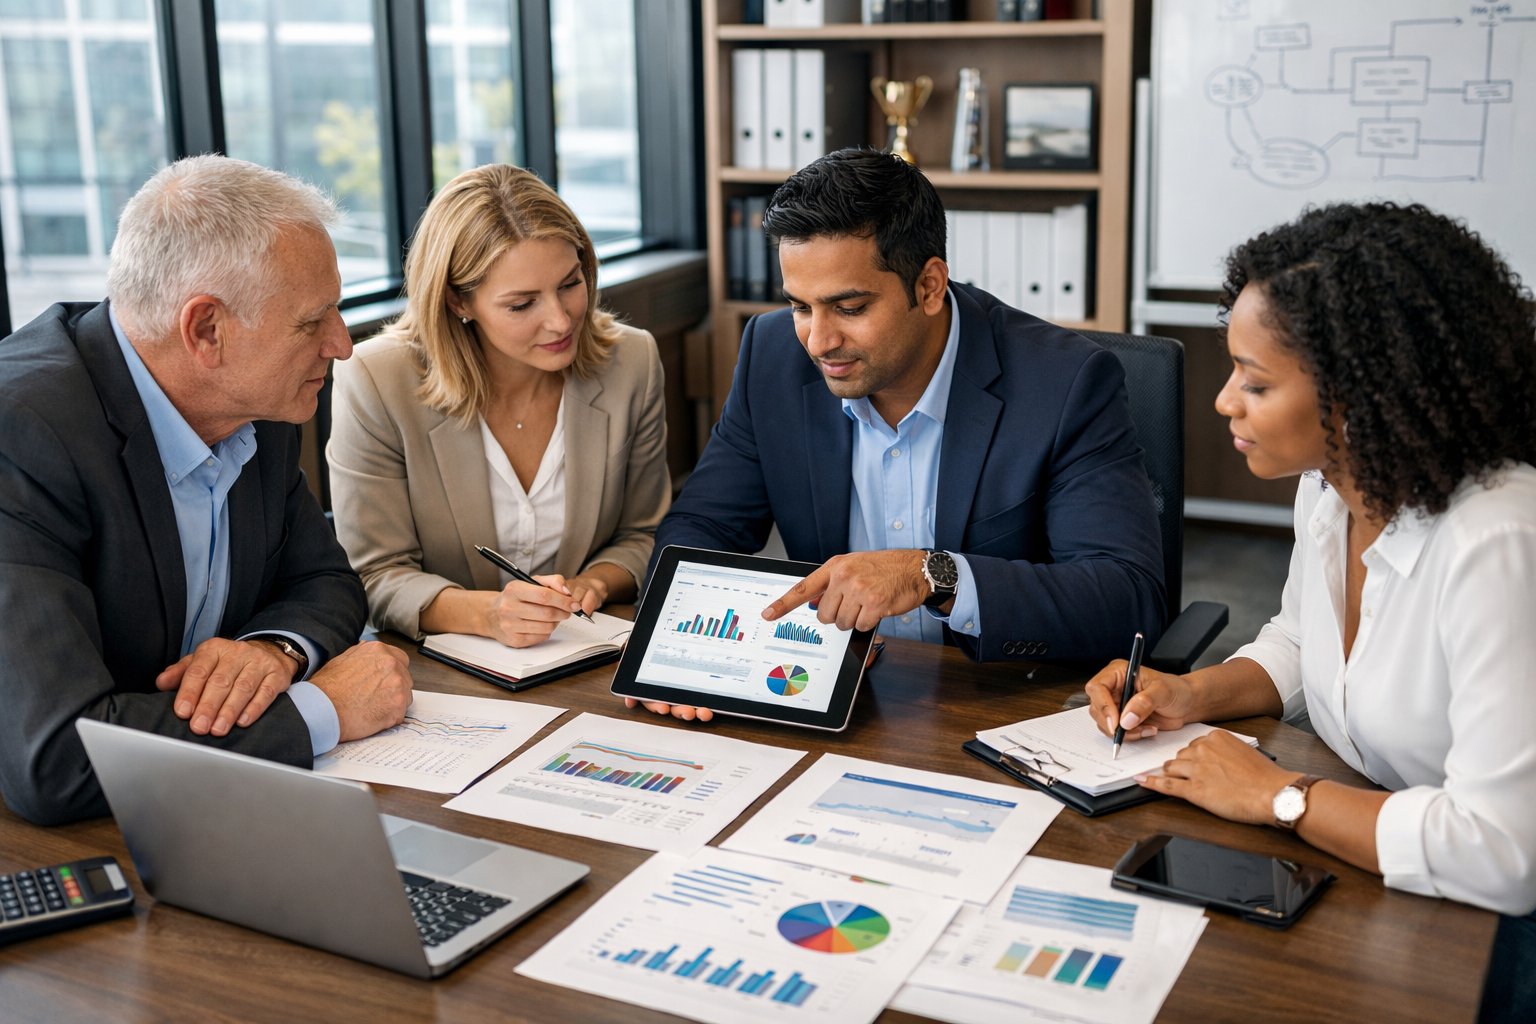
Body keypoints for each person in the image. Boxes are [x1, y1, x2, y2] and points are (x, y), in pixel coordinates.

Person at [1082, 202, 1536, 1020]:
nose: (1224, 401)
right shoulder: (1331, 489)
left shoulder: (1497, 542)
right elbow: (1301, 640)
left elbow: (1499, 853)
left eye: (1255, 382)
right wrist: (1191, 693)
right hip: (1384, 867)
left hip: (1494, 924)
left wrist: (1279, 796)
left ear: (1359, 395)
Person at [632, 148, 1164, 721]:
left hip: (1000, 704)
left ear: (929, 286)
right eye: (800, 307)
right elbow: (702, 527)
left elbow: (1126, 598)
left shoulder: (1063, 382)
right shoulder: (772, 355)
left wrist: (934, 575)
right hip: (836, 694)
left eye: (849, 307)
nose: (818, 341)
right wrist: (679, 649)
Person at [0, 156, 413, 827]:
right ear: (206, 330)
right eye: (313, 322)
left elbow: (325, 581)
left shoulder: (255, 404)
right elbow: (55, 761)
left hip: (198, 812)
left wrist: (272, 652)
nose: (341, 345)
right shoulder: (21, 433)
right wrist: (319, 711)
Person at [326, 164, 669, 648]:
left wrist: (595, 582)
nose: (560, 320)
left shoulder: (632, 361)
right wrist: (489, 614)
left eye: (570, 284)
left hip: (585, 649)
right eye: (522, 304)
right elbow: (375, 574)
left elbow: (645, 532)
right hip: (438, 666)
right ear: (457, 302)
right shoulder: (377, 379)